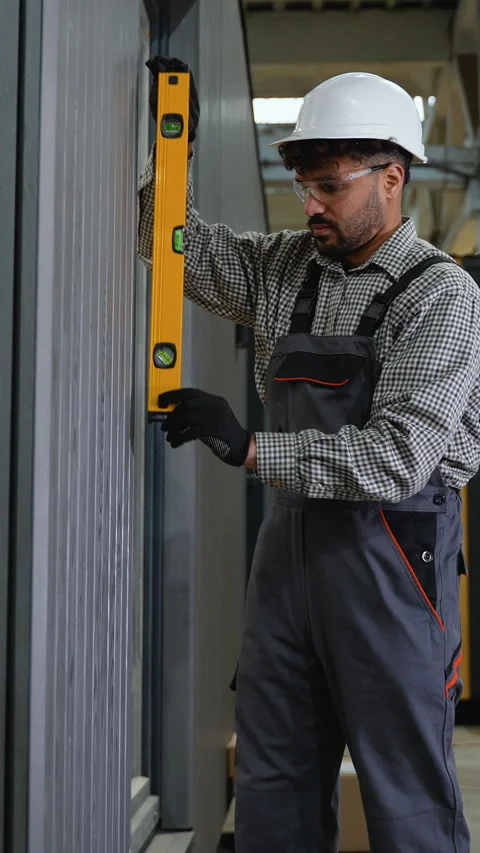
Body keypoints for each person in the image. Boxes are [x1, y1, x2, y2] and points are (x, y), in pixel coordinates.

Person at [138, 60, 480, 853]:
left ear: (392, 177)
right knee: (273, 786)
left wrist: (252, 445)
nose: (311, 205)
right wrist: (170, 134)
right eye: (304, 186)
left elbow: (399, 456)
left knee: (406, 795)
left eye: (329, 185)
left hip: (392, 557)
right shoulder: (284, 265)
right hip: (288, 560)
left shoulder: (441, 296)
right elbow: (170, 240)